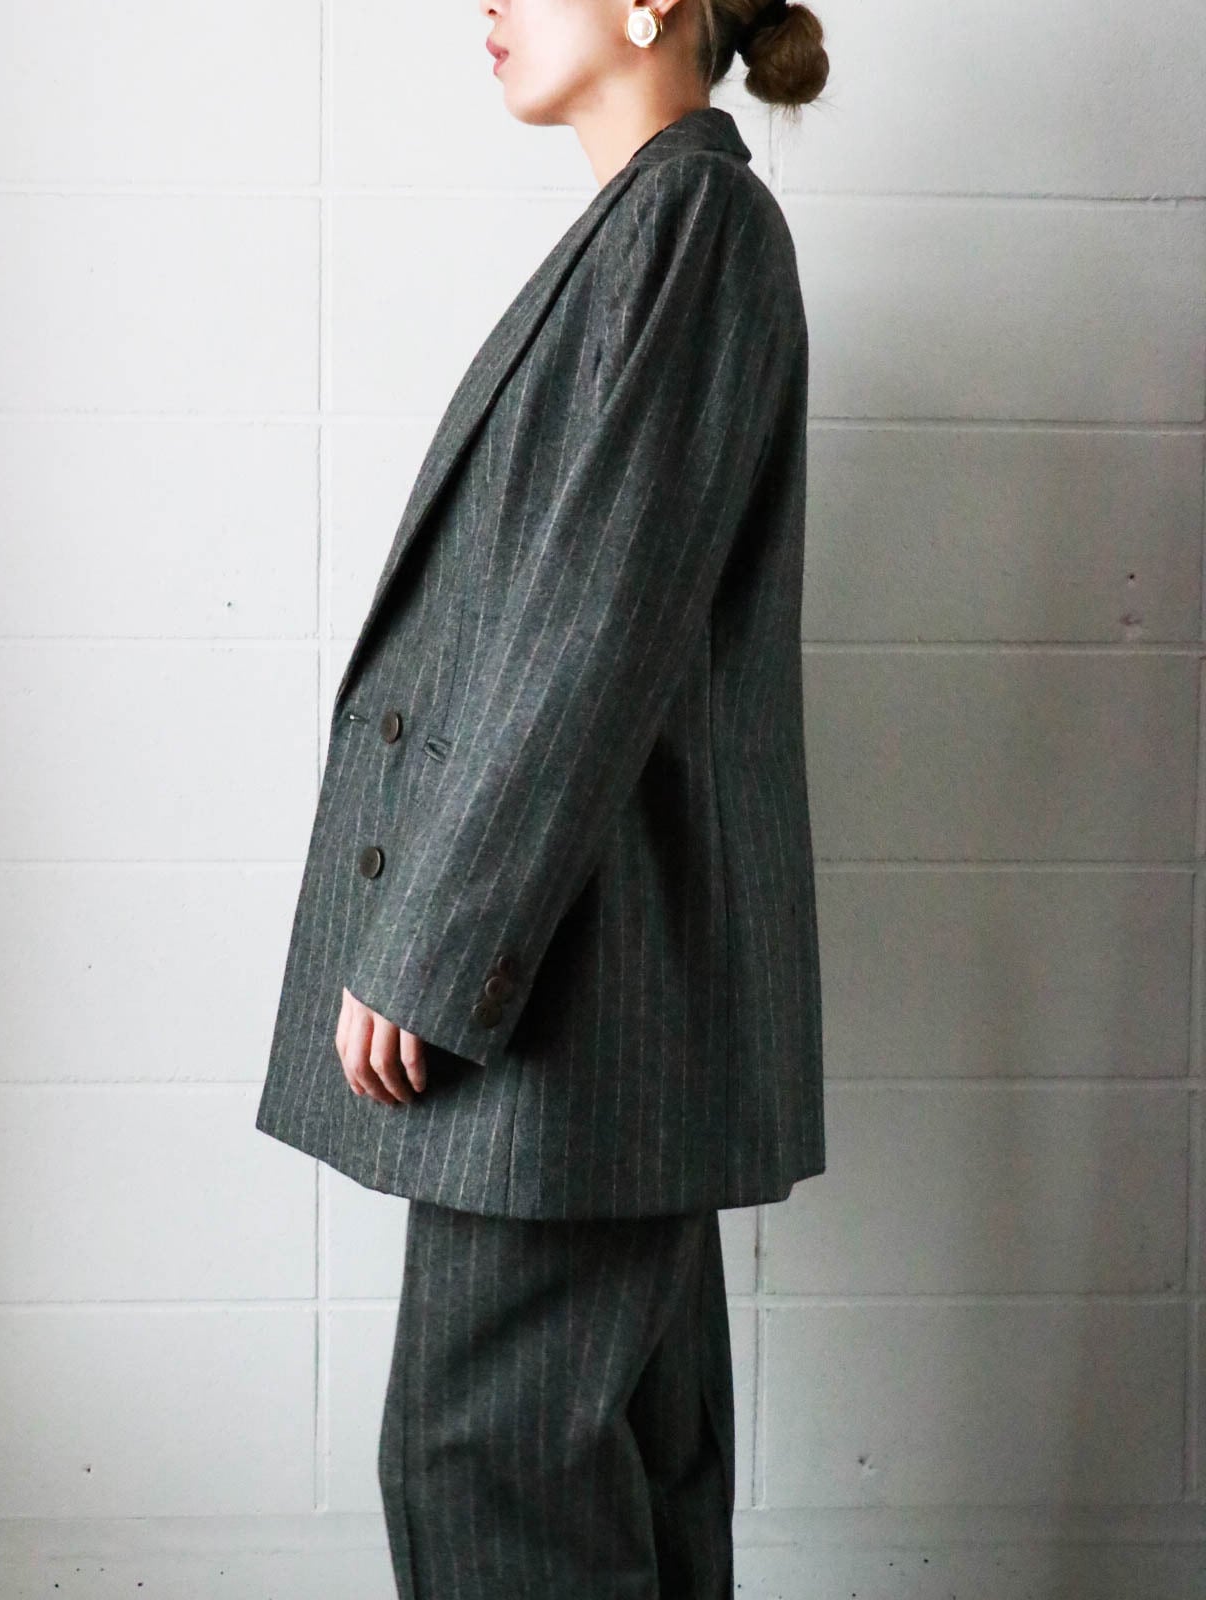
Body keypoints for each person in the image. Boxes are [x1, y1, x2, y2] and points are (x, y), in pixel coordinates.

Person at [254, 1, 830, 1593]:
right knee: (622, 1462)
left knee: (486, 1462)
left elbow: (590, 629)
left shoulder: (693, 227)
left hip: (576, 998)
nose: (489, 6)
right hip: (592, 992)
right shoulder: (656, 228)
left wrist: (435, 944)